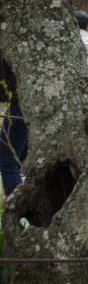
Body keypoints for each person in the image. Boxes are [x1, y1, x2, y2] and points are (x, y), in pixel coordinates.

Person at [0, 54, 27, 196]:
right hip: (28, 104)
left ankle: (17, 209)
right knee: (19, 159)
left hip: (19, 105)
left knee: (7, 161)